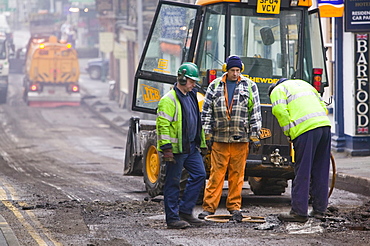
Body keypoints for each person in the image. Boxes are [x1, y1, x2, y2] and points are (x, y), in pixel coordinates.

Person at [198, 55, 262, 221]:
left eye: (238, 70)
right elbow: (206, 112)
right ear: (227, 70)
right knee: (216, 175)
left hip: (241, 140)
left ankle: (234, 207)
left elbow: (254, 112)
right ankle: (209, 208)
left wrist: (255, 135)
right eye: (232, 70)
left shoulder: (249, 86)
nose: (235, 73)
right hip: (220, 138)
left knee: (237, 175)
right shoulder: (215, 85)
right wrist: (207, 134)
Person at [268, 78, 331, 223]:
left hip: (305, 130)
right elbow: (323, 106)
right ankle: (320, 210)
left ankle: (299, 212)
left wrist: (290, 132)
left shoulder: (278, 90)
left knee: (303, 170)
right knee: (321, 170)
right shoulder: (305, 85)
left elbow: (279, 111)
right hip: (324, 126)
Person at [156, 62, 207, 229]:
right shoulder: (168, 100)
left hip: (191, 147)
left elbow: (196, 122)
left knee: (199, 175)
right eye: (192, 81)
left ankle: (185, 211)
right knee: (173, 182)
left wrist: (202, 143)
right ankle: (172, 219)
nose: (194, 85)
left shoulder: (191, 96)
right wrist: (167, 149)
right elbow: (163, 126)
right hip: (176, 150)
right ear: (182, 79)